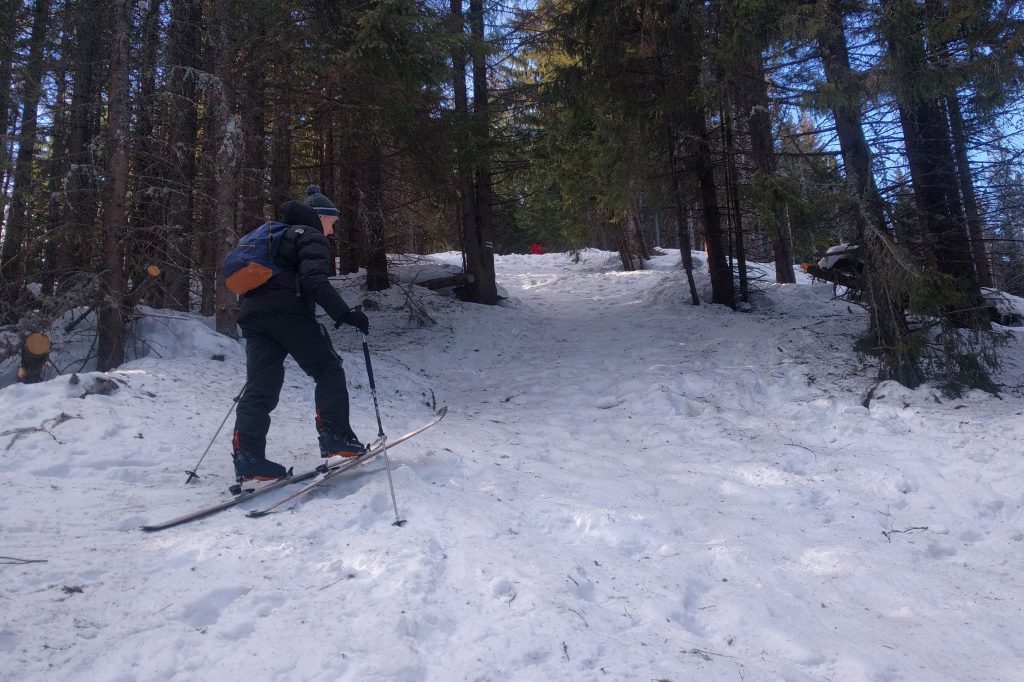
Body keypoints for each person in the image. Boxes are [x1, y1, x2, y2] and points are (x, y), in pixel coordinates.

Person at [231, 200, 370, 482]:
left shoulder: (271, 237)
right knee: (327, 369)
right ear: (319, 217)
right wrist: (344, 313)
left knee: (260, 387)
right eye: (332, 222)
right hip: (289, 315)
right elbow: (312, 280)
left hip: (253, 317)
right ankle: (336, 435)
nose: (332, 230)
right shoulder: (310, 235)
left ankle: (249, 458)